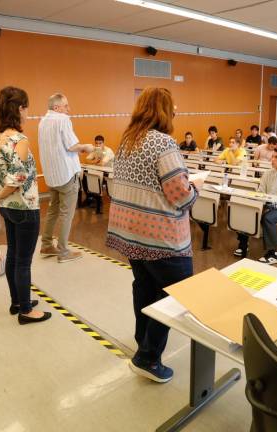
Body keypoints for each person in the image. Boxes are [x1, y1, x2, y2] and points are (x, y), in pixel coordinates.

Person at [106, 87, 201, 383]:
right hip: (161, 237)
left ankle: (143, 338)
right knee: (179, 292)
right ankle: (147, 357)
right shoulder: (163, 143)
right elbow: (180, 195)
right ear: (164, 111)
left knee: (145, 287)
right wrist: (195, 188)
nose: (175, 113)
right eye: (173, 108)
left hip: (131, 233)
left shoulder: (127, 140)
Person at [0, 87, 49, 324]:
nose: (27, 112)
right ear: (19, 109)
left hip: (9, 209)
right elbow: (17, 178)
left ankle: (17, 302)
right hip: (25, 207)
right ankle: (25, 311)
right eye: (26, 107)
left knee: (13, 255)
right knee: (23, 261)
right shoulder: (19, 140)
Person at [38, 93, 95, 263]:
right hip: (66, 175)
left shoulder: (43, 122)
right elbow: (71, 146)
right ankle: (63, 251)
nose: (68, 109)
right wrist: (87, 147)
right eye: (65, 106)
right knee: (66, 214)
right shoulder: (62, 119)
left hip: (51, 175)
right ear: (57, 107)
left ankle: (47, 244)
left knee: (53, 210)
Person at [234, 148, 277, 260]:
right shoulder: (267, 173)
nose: (272, 159)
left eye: (276, 157)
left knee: (268, 218)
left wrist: (270, 205)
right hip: (267, 203)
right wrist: (261, 203)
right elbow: (261, 192)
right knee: (246, 210)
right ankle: (243, 244)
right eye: (272, 156)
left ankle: (273, 253)